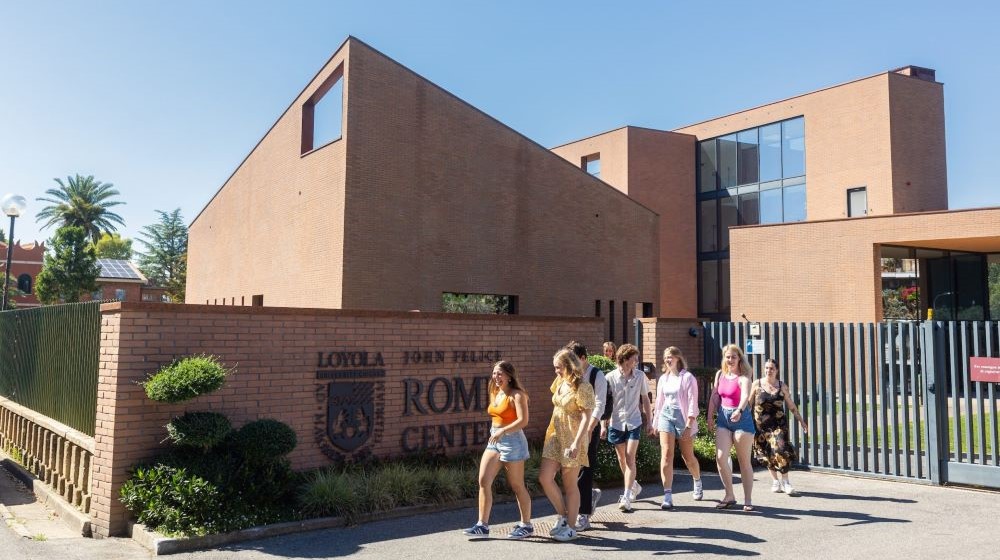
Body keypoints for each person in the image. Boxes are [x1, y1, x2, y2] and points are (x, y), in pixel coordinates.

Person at [462, 361, 534, 538]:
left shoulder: (517, 395)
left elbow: (523, 421)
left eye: (500, 374)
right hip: (494, 439)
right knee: (484, 480)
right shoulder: (496, 392)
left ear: (509, 376)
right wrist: (498, 431)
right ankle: (482, 525)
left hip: (512, 441)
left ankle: (526, 525)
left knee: (517, 485)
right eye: (494, 373)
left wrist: (503, 430)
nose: (496, 377)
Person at [539, 348, 596, 542]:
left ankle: (571, 528)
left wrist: (576, 444)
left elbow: (586, 418)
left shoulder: (583, 387)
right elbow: (557, 404)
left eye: (559, 367)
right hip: (555, 434)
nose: (556, 371)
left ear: (569, 366)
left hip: (573, 438)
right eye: (555, 367)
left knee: (570, 484)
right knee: (545, 477)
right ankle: (563, 515)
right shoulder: (560, 382)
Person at [652, 346, 703, 509]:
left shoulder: (688, 378)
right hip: (666, 416)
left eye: (671, 357)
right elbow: (659, 402)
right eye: (666, 357)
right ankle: (667, 495)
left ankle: (697, 480)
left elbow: (692, 401)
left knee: (688, 457)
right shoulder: (663, 379)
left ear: (678, 358)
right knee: (666, 454)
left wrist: (689, 423)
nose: (668, 360)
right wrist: (655, 421)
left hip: (683, 418)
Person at [707, 344, 756, 512]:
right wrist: (709, 416)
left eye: (733, 357)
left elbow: (744, 398)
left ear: (739, 358)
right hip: (723, 419)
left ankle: (747, 499)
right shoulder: (720, 375)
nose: (730, 360)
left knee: (744, 462)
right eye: (727, 357)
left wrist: (739, 411)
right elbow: (715, 396)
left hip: (742, 421)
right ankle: (729, 495)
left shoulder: (744, 378)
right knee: (721, 458)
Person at [566, 341, 609, 532]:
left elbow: (599, 403)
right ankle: (588, 496)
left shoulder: (596, 375)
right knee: (572, 469)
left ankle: (583, 514)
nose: (572, 365)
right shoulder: (570, 375)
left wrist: (591, 427)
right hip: (571, 428)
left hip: (589, 426)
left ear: (583, 358)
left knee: (586, 468)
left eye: (574, 360)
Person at [748, 359, 808, 496]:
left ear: (777, 370)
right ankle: (775, 481)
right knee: (767, 453)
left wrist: (801, 421)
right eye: (767, 368)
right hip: (761, 427)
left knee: (780, 449)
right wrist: (740, 416)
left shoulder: (782, 386)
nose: (769, 370)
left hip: (778, 425)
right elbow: (748, 404)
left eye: (772, 368)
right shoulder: (756, 384)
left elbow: (791, 406)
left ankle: (786, 482)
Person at [604, 343, 652, 512]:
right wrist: (604, 424)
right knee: (622, 459)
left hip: (634, 421)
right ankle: (634, 485)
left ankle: (626, 495)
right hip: (616, 422)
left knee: (630, 457)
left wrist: (650, 421)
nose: (637, 361)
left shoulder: (640, 376)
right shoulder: (610, 377)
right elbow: (606, 404)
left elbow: (645, 399)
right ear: (625, 359)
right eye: (634, 358)